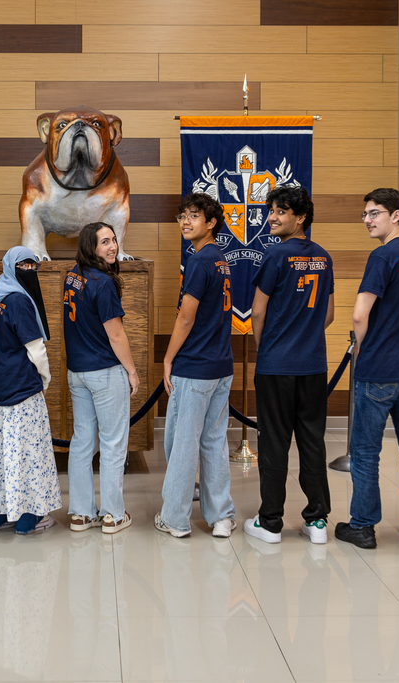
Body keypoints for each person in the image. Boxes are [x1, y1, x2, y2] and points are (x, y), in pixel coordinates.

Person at [334, 188, 399, 551]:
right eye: (365, 214)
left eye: (374, 213)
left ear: (396, 216)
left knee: (365, 452)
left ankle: (362, 525)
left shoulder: (383, 256)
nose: (367, 220)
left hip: (379, 369)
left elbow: (360, 314)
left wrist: (361, 349)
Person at [243, 186, 335, 545]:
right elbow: (328, 313)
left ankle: (270, 522)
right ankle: (316, 522)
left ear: (301, 218)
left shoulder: (276, 256)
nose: (272, 217)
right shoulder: (324, 257)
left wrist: (267, 348)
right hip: (313, 365)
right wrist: (305, 332)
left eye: (281, 212)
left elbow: (258, 311)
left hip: (276, 366)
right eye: (272, 210)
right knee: (313, 441)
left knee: (274, 443)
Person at [156, 193, 237, 539]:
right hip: (221, 364)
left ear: (211, 223)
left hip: (195, 367)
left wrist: (168, 357)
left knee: (183, 443)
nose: (185, 222)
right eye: (182, 216)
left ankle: (175, 518)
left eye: (193, 216)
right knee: (214, 442)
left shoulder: (201, 261)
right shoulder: (220, 259)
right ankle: (220, 516)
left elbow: (186, 317)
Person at [0, 246, 62, 535]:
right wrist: (45, 380)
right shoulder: (21, 302)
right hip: (23, 391)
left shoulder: (0, 300)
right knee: (28, 454)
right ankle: (28, 518)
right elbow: (36, 349)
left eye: (33, 265)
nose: (30, 270)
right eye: (23, 265)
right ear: (11, 267)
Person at [63, 222, 140, 534]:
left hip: (77, 372)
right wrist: (132, 371)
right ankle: (113, 515)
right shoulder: (103, 282)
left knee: (82, 442)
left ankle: (81, 514)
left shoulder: (73, 275)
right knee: (112, 444)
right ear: (90, 247)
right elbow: (116, 334)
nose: (112, 247)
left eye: (113, 240)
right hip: (105, 373)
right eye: (104, 242)